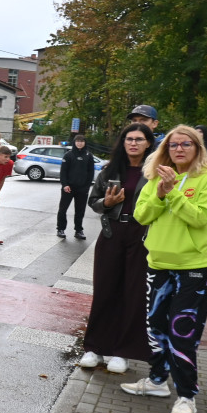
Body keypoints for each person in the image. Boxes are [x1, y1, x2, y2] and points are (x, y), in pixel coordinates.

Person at [122, 125, 207, 413]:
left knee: (182, 332)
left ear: (198, 148)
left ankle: (186, 396)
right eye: (173, 144)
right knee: (155, 327)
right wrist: (161, 193)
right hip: (159, 263)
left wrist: (174, 196)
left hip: (195, 266)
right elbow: (142, 215)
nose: (179, 149)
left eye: (186, 144)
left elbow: (201, 217)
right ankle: (157, 381)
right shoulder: (157, 175)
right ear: (166, 148)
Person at [78, 123, 155, 375]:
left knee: (133, 294)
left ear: (148, 143)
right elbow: (93, 201)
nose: (133, 143)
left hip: (142, 235)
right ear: (123, 142)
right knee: (105, 289)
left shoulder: (155, 172)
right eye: (129, 139)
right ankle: (94, 347)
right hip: (112, 233)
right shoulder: (111, 169)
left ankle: (124, 352)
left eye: (139, 139)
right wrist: (107, 203)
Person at [56, 134, 95, 240]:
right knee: (63, 209)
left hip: (82, 188)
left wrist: (87, 186)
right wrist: (65, 185)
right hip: (68, 188)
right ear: (74, 142)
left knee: (80, 211)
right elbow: (63, 172)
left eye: (82, 141)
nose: (80, 143)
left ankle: (78, 230)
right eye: (78, 141)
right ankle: (60, 229)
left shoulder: (88, 155)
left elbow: (91, 172)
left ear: (85, 142)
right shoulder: (68, 155)